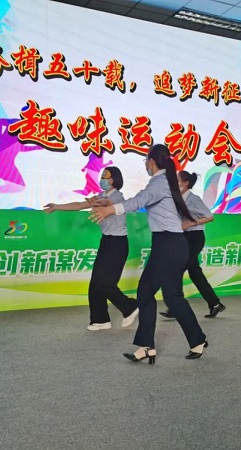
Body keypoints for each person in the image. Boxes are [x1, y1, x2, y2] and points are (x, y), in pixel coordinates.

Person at [89, 144, 208, 364]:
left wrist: (110, 209)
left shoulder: (160, 182)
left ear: (151, 161)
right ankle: (183, 341)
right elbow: (140, 200)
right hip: (170, 244)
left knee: (158, 294)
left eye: (145, 159)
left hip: (168, 245)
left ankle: (155, 345)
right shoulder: (166, 182)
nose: (145, 163)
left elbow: (139, 201)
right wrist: (109, 204)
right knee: (162, 295)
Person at [44, 166, 139, 331]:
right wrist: (56, 206)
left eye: (106, 176)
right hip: (106, 242)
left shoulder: (117, 196)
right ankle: (100, 320)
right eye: (102, 176)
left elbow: (107, 204)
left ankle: (130, 307)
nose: (102, 179)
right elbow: (79, 205)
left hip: (117, 244)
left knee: (106, 283)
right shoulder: (101, 195)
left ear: (114, 179)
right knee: (95, 283)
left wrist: (99, 203)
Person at [159, 170, 226, 319]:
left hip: (194, 238)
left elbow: (209, 217)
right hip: (183, 238)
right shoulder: (177, 199)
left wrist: (190, 223)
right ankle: (215, 303)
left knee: (177, 269)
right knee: (195, 272)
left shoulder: (193, 199)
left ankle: (176, 307)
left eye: (177, 180)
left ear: (186, 183)